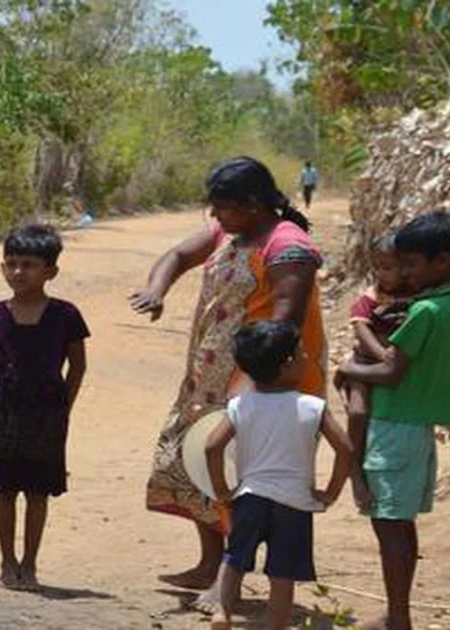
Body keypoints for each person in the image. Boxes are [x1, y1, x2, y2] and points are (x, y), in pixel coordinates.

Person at [129, 156, 327, 611]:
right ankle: (209, 563)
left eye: (223, 208)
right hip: (208, 377)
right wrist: (156, 290)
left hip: (263, 381)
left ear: (254, 205)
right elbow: (177, 255)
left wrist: (256, 384)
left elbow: (285, 323)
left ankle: (226, 582)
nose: (215, 218)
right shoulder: (230, 234)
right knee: (203, 466)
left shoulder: (288, 247)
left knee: (246, 479)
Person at [335, 212, 450, 630]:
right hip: (416, 425)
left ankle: (398, 619)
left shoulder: (426, 311)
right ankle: (398, 615)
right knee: (401, 525)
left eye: (412, 264)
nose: (407, 274)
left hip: (394, 423)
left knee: (389, 528)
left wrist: (348, 369)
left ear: (443, 262)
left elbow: (391, 371)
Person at [206, 321, 352, 630]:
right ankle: (277, 625)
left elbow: (211, 447)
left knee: (234, 559)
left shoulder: (240, 405)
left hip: (250, 497)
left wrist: (222, 490)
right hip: (294, 503)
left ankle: (222, 613)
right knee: (282, 575)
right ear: (287, 364)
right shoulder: (313, 406)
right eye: (300, 353)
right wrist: (330, 492)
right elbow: (346, 449)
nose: (305, 358)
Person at [0, 223, 89, 591]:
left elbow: (77, 364)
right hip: (1, 412)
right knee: (4, 489)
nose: (18, 272)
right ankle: (7, 562)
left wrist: (63, 405)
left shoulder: (66, 315)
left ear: (50, 271)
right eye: (11, 263)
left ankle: (30, 563)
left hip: (47, 415)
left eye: (28, 264)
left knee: (38, 491)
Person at [344, 233, 412, 511]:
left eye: (389, 266)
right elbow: (362, 331)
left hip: (394, 362)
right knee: (358, 413)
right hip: (365, 362)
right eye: (378, 267)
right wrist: (383, 356)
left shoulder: (418, 294)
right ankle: (355, 474)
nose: (383, 273)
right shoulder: (370, 298)